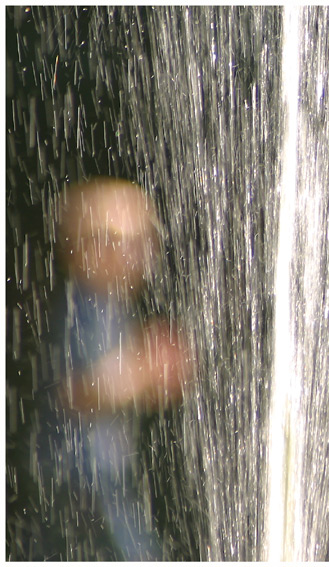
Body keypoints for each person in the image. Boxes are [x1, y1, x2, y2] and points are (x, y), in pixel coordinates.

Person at [47, 177, 195, 559]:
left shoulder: (111, 309)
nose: (142, 255)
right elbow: (73, 392)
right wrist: (141, 371)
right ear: (87, 248)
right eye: (125, 241)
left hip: (104, 495)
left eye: (146, 241)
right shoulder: (80, 306)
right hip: (77, 499)